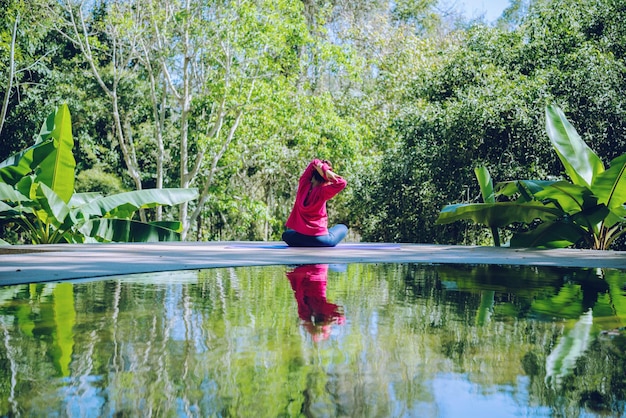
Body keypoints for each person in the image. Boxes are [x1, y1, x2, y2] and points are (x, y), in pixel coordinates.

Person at [282, 158, 348, 247]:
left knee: (286, 235)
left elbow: (314, 162)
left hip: (300, 238)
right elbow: (342, 183)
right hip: (321, 240)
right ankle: (321, 237)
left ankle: (306, 240)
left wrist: (322, 168)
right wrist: (327, 172)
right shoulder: (323, 192)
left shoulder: (303, 184)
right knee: (342, 228)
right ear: (326, 179)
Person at [286, 264, 345, 342]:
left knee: (342, 267)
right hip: (302, 272)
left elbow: (341, 318)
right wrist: (316, 330)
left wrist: (327, 325)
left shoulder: (323, 309)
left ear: (326, 320)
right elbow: (305, 320)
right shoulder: (307, 310)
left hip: (317, 269)